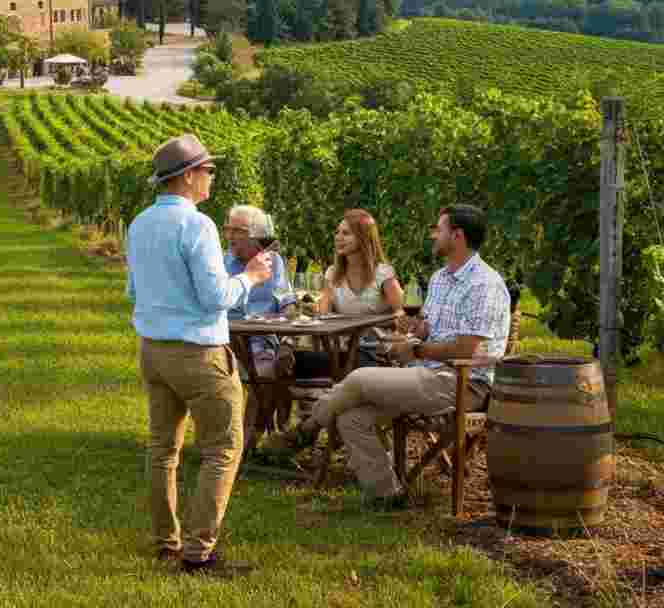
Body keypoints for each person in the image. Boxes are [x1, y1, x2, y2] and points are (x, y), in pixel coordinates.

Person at [264, 204, 510, 509]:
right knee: (351, 418)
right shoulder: (440, 278)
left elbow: (467, 350)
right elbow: (428, 329)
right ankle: (387, 497)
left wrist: (416, 350)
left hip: (463, 382)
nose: (433, 235)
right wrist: (412, 332)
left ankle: (304, 431)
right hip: (423, 373)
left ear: (457, 236)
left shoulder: (484, 284)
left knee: (359, 379)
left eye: (439, 229)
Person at [126, 134, 273, 577]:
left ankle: (166, 543)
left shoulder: (139, 224)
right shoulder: (198, 225)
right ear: (188, 176)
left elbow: (133, 290)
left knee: (162, 449)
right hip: (198, 353)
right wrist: (251, 276)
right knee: (223, 448)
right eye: (208, 170)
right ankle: (199, 553)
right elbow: (215, 298)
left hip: (153, 351)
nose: (212, 176)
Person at [223, 205, 330, 454]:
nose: (229, 236)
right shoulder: (220, 263)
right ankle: (250, 440)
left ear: (257, 234)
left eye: (237, 230)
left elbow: (287, 303)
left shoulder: (275, 262)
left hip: (264, 343)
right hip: (229, 344)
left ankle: (251, 441)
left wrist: (287, 343)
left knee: (277, 368)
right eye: (227, 229)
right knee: (266, 377)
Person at [317, 208, 405, 366]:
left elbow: (401, 313)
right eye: (337, 232)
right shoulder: (332, 274)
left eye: (346, 233)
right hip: (341, 349)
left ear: (364, 238)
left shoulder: (383, 273)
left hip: (375, 350)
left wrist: (371, 326)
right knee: (299, 362)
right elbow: (323, 315)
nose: (338, 237)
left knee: (354, 363)